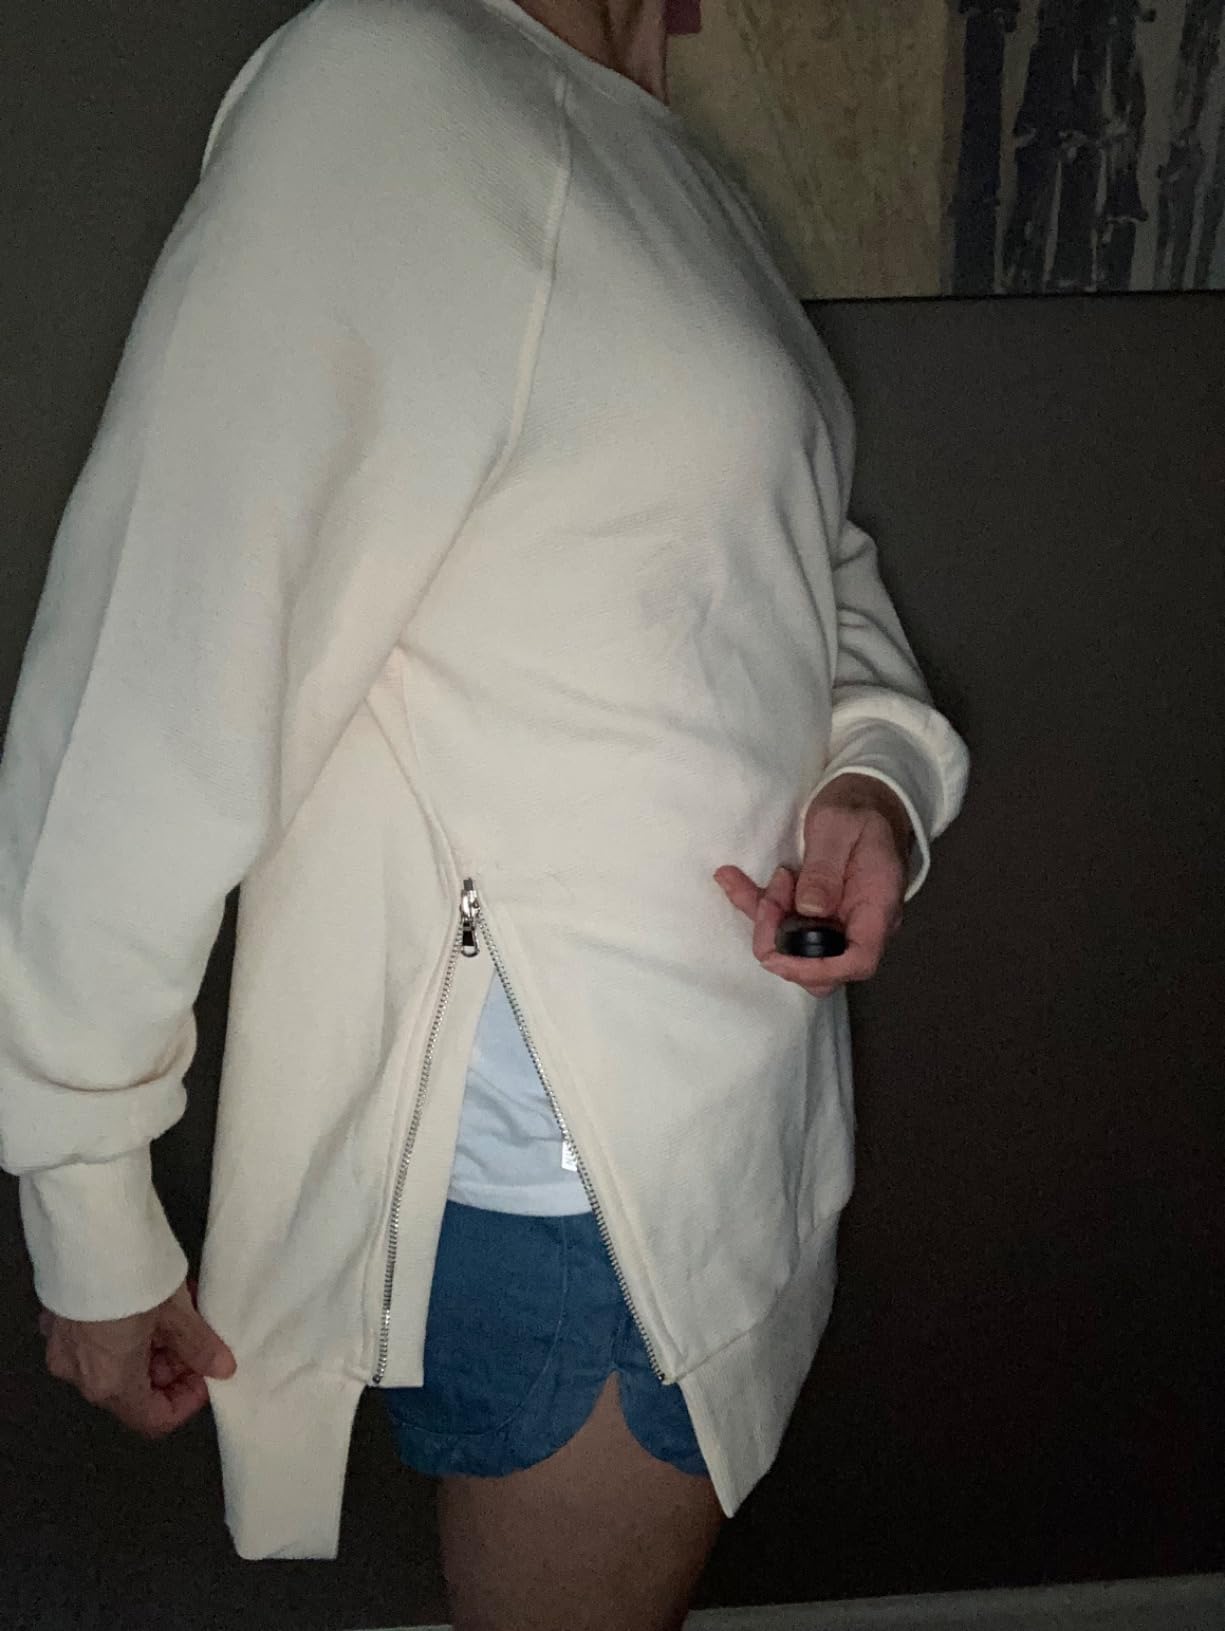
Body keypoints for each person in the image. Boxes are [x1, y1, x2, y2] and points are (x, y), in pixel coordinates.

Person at [0, 0, 969, 1626]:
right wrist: (86, 1184)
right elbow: (162, 658)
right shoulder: (390, 83)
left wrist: (873, 773)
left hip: (736, 1127)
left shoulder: (662, 162)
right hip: (576, 1188)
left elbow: (807, 561)